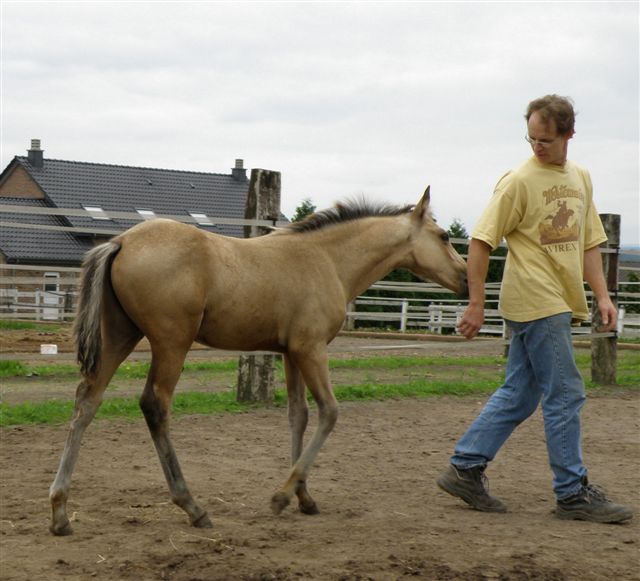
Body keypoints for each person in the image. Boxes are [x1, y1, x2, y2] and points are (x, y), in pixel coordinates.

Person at [436, 94, 633, 524]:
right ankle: (572, 492)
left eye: (544, 139)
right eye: (530, 138)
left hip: (559, 298)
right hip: (534, 297)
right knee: (565, 392)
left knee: (520, 393)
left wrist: (602, 295)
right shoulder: (518, 181)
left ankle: (465, 467)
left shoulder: (580, 177)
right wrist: (475, 303)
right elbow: (481, 240)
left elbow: (589, 243)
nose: (536, 147)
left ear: (569, 135)